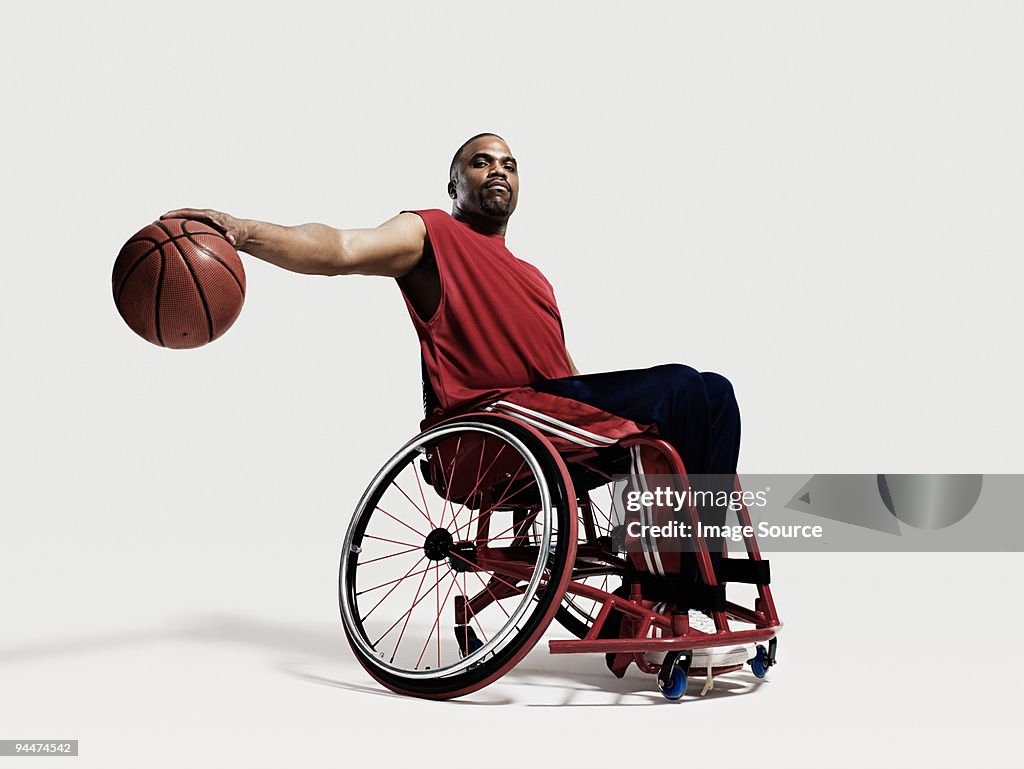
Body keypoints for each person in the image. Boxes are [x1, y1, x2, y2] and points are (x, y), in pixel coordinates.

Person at [162, 132, 746, 670]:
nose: (499, 170)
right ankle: (673, 599)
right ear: (454, 184)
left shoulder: (535, 278)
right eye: (481, 161)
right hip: (486, 423)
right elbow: (338, 247)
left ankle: (684, 583)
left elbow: (568, 376)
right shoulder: (430, 231)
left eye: (510, 164)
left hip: (551, 413)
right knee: (679, 387)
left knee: (713, 392)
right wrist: (239, 230)